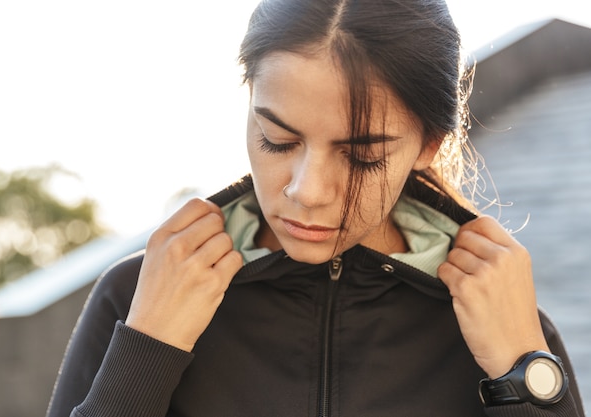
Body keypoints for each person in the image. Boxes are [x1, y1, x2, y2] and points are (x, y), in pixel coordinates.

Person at [47, 0, 585, 416]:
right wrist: (147, 352)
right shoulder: (139, 294)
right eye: (277, 140)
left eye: (362, 156)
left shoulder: (504, 318)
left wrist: (524, 375)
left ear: (429, 144)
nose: (307, 191)